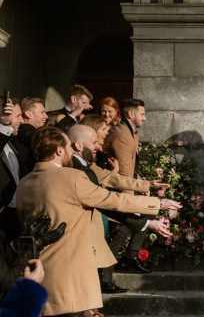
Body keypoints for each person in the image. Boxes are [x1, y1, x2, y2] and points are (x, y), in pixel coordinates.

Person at [16, 126, 178, 316]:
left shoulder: (24, 182)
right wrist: (157, 203)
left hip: (37, 274)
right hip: (71, 278)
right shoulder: (73, 177)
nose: (70, 151)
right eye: (68, 147)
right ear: (59, 150)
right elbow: (112, 200)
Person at [68, 124, 177, 293]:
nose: (98, 146)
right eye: (94, 142)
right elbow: (109, 200)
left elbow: (112, 178)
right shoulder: (75, 169)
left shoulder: (86, 164)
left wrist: (145, 185)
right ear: (78, 145)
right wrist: (158, 205)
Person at [102, 98, 152, 275]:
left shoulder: (130, 131)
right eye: (142, 114)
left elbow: (131, 166)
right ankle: (105, 276)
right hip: (115, 190)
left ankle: (129, 257)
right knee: (122, 230)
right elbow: (123, 171)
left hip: (126, 186)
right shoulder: (122, 133)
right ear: (131, 114)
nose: (145, 118)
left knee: (146, 213)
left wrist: (141, 186)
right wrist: (131, 201)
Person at [0, 98, 25, 242]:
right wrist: (4, 124)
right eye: (17, 116)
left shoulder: (13, 143)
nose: (21, 121)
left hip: (15, 213)